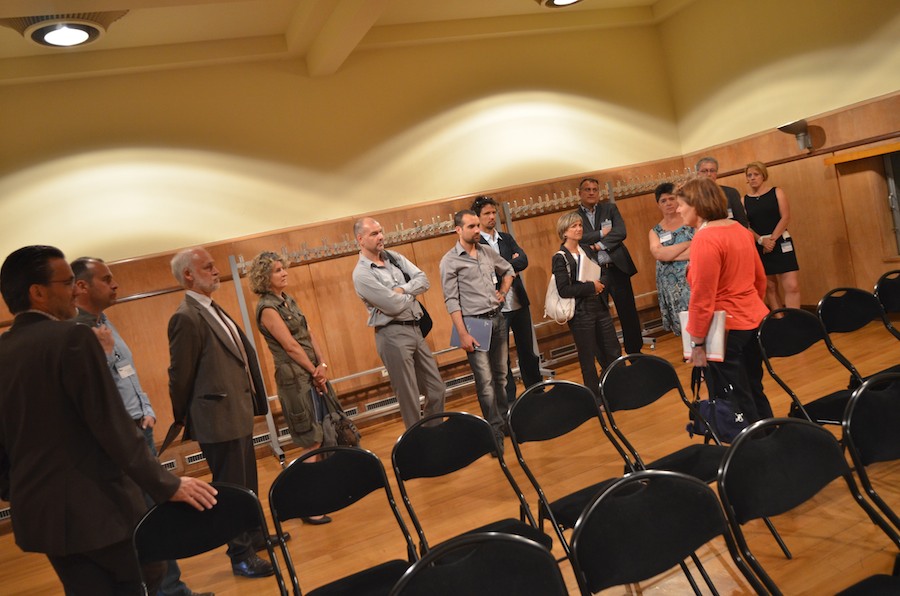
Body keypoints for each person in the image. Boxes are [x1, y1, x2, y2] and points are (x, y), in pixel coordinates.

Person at [0, 245, 217, 596]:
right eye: (66, 282)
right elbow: (111, 424)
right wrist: (166, 484)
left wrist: (16, 490)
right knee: (143, 578)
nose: (75, 290)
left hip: (42, 516)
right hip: (97, 509)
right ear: (37, 292)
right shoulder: (71, 338)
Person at [70, 257, 213, 596]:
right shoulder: (75, 333)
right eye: (107, 279)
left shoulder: (105, 322)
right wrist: (104, 355)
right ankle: (161, 589)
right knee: (140, 515)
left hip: (140, 430)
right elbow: (89, 393)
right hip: (119, 442)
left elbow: (128, 374)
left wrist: (146, 408)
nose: (115, 284)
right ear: (82, 286)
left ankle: (171, 588)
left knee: (157, 509)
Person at [166, 247, 275, 578]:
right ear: (188, 274)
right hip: (215, 417)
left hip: (235, 411)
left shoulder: (211, 307)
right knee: (229, 489)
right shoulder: (186, 317)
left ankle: (254, 536)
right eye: (208, 267)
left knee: (247, 481)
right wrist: (185, 415)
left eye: (214, 266)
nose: (216, 271)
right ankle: (239, 554)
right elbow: (179, 376)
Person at [675, 178, 773, 424]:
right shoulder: (740, 230)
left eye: (681, 204)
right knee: (754, 387)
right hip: (754, 320)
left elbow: (702, 296)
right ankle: (771, 435)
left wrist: (697, 342)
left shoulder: (705, 238)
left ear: (697, 205)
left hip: (727, 328)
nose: (678, 210)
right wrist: (750, 306)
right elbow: (760, 279)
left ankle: (752, 443)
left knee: (735, 397)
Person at [351, 218, 446, 429]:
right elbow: (392, 305)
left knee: (436, 389)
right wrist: (411, 292)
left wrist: (402, 290)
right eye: (374, 234)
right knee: (409, 396)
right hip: (392, 334)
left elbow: (424, 280)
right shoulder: (362, 274)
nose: (381, 236)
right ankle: (417, 443)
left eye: (380, 231)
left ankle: (433, 435)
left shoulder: (393, 257)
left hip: (415, 328)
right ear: (360, 239)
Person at [440, 210, 515, 447]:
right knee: (485, 382)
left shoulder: (486, 251)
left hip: (497, 318)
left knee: (501, 376)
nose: (477, 230)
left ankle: (504, 421)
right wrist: (463, 333)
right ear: (458, 230)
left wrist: (503, 292)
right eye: (471, 226)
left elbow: (509, 271)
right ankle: (494, 431)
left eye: (477, 226)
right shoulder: (450, 261)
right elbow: (451, 301)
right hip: (474, 324)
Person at [473, 196, 542, 407]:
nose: (492, 217)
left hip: (518, 301)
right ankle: (509, 398)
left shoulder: (505, 237)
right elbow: (485, 271)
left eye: (494, 213)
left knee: (527, 349)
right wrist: (509, 265)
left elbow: (523, 260)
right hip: (496, 305)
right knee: (501, 356)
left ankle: (536, 389)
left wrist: (503, 266)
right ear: (477, 217)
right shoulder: (476, 244)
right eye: (487, 213)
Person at [552, 212, 621, 398]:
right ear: (564, 232)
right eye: (574, 226)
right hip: (581, 313)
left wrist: (601, 284)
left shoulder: (587, 249)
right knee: (588, 358)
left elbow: (603, 272)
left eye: (580, 225)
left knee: (612, 350)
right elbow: (564, 289)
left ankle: (615, 391)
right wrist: (591, 287)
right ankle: (596, 398)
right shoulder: (560, 257)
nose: (579, 229)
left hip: (600, 306)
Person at [575, 177, 641, 354]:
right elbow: (579, 239)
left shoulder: (610, 209)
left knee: (628, 313)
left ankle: (635, 353)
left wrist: (597, 245)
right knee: (601, 317)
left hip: (617, 268)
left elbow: (620, 232)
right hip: (595, 274)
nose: (591, 193)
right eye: (587, 189)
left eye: (595, 189)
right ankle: (609, 357)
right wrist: (601, 233)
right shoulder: (575, 217)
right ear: (580, 193)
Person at [743, 161, 801, 310]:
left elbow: (785, 217)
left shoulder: (777, 192)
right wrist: (761, 241)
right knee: (770, 286)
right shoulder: (744, 200)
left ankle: (795, 318)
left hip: (780, 241)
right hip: (760, 245)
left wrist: (772, 240)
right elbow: (746, 225)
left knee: (792, 285)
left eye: (756, 174)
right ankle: (779, 319)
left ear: (763, 175)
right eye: (749, 175)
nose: (752, 178)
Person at [648, 183, 693, 336]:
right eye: (663, 200)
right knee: (681, 325)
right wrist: (686, 244)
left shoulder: (690, 222)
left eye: (671, 199)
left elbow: (697, 249)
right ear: (658, 205)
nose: (668, 203)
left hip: (692, 279)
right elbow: (658, 254)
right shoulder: (655, 231)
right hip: (670, 285)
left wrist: (669, 254)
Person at [696, 156, 750, 227]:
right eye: (704, 171)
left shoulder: (731, 193)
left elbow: (742, 222)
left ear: (716, 173)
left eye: (712, 171)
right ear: (698, 174)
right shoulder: (693, 197)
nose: (709, 174)